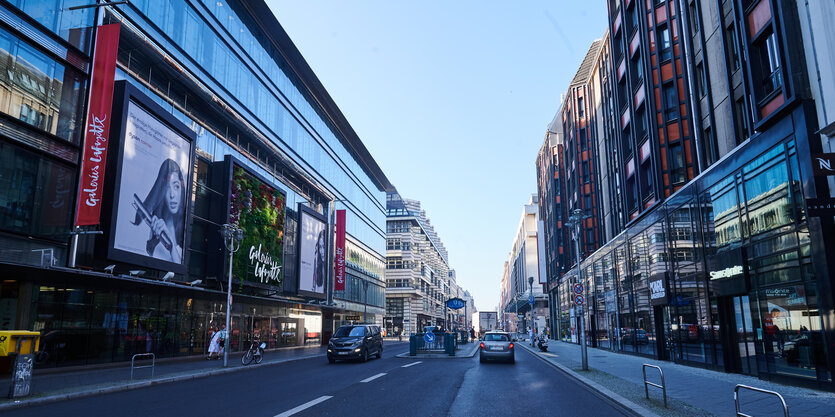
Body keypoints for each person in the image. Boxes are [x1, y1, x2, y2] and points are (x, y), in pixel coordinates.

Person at [132, 158, 186, 263]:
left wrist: (171, 247)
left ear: (181, 189)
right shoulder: (152, 230)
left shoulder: (181, 241)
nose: (172, 195)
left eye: (176, 186)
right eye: (167, 187)